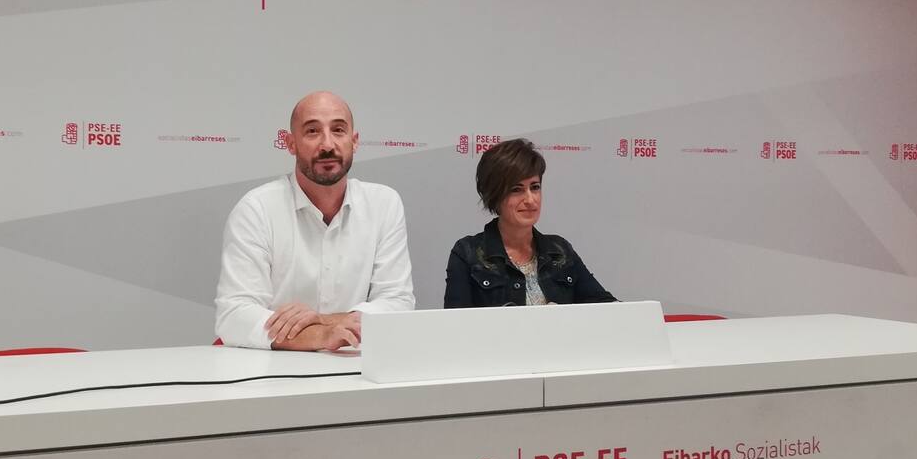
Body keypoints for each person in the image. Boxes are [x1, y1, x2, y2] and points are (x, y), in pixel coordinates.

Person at [215, 92, 414, 349]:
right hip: (273, 366)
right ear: (290, 144)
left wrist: (322, 320)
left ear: (354, 141)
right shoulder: (257, 208)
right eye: (312, 131)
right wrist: (321, 335)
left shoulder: (383, 203)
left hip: (352, 361)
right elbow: (235, 316)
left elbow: (398, 303)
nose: (327, 145)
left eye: (338, 130)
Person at [444, 138, 616, 308]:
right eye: (516, 190)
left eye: (535, 187)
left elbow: (608, 308)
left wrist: (563, 317)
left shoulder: (560, 251)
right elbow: (454, 323)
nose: (530, 200)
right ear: (494, 196)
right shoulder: (467, 253)